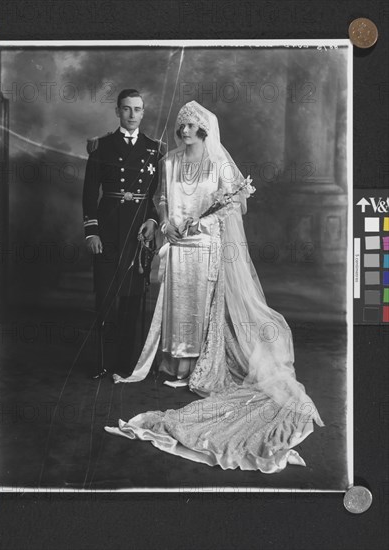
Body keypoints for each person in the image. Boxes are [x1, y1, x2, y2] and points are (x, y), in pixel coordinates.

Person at [105, 101, 324, 473]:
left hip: (206, 244)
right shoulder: (169, 161)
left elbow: (234, 202)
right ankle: (173, 366)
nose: (185, 132)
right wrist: (165, 223)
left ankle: (196, 369)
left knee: (201, 305)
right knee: (174, 304)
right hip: (176, 243)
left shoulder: (218, 162)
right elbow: (160, 199)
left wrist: (203, 223)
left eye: (191, 127)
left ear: (205, 131)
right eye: (181, 127)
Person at [82, 89, 162, 379]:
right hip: (107, 229)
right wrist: (91, 232)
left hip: (137, 233)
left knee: (131, 299)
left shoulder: (155, 149)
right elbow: (90, 192)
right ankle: (103, 363)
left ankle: (126, 364)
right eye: (126, 109)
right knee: (105, 297)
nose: (131, 115)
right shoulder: (102, 146)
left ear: (143, 112)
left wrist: (153, 221)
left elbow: (157, 196)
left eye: (137, 109)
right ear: (117, 111)